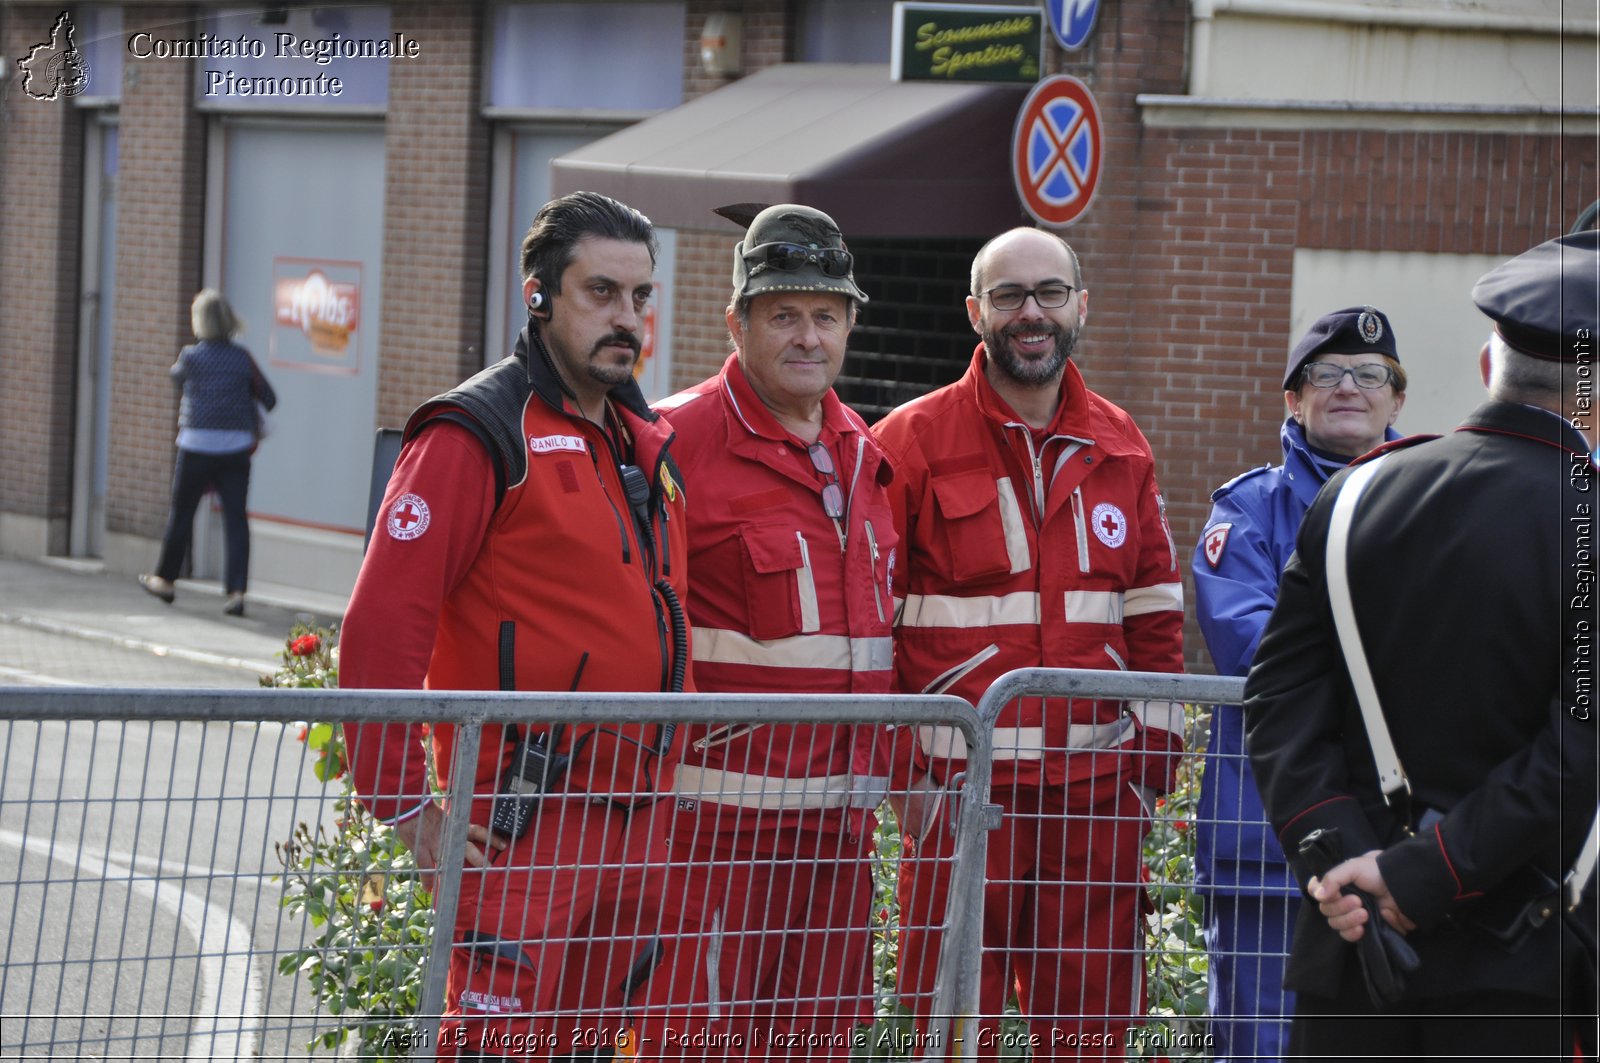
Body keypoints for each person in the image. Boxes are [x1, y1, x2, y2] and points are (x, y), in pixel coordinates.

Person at [339, 191, 693, 1061]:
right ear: (539, 295)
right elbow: (384, 622)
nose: (627, 319)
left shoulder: (637, 435)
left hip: (641, 820)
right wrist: (404, 807)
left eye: (641, 298)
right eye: (601, 292)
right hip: (523, 825)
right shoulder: (477, 433)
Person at [1242, 230, 1599, 1059]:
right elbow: (1577, 754)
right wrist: (1424, 874)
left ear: (1487, 364)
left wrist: (1351, 866)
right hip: (1519, 965)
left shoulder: (1355, 494)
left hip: (1354, 945)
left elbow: (1279, 700)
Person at [872, 227, 1186, 1060]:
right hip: (964, 804)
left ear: (1080, 305)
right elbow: (872, 626)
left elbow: (1156, 618)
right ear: (976, 311)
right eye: (1008, 296)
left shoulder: (1122, 445)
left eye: (1050, 292)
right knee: (947, 1027)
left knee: (1090, 1035)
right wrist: (911, 788)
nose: (1031, 313)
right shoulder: (910, 442)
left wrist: (1147, 780)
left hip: (1094, 802)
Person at [642, 204, 899, 1058]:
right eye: (783, 313)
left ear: (851, 324)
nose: (807, 336)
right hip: (710, 847)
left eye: (825, 315)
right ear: (737, 321)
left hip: (837, 846)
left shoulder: (862, 450)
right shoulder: (670, 445)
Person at [1192, 306, 1408, 1062]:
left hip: (1396, 850)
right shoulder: (1247, 511)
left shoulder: (1437, 503)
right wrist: (1392, 664)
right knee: (1258, 1047)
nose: (1349, 386)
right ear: (1293, 397)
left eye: (1370, 374)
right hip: (1266, 847)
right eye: (1326, 373)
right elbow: (1252, 650)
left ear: (1397, 400)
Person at [139, 289, 276, 616]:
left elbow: (175, 378)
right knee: (236, 519)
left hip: (196, 447)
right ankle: (236, 593)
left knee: (182, 513)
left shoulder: (190, 357)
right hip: (236, 450)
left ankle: (166, 580)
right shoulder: (243, 359)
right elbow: (269, 398)